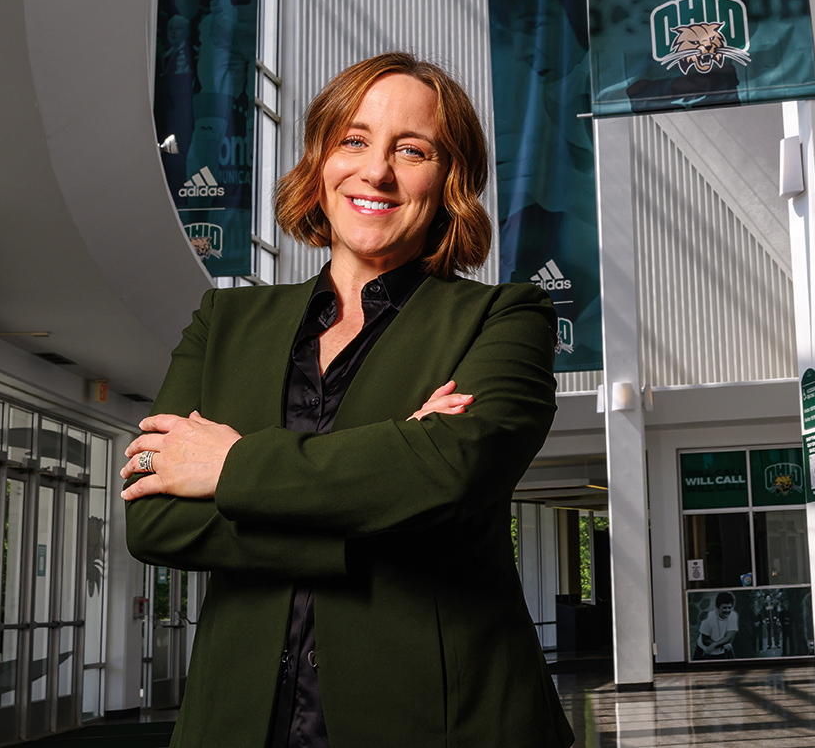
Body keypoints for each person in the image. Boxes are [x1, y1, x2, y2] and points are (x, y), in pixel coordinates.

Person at [121, 52, 574, 748]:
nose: (376, 171)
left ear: (449, 180)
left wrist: (232, 465)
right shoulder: (225, 323)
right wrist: (387, 479)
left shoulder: (506, 316)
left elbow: (451, 474)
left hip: (445, 722)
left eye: (412, 150)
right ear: (319, 161)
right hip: (239, 723)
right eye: (353, 140)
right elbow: (154, 522)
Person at [697, 592, 739, 659]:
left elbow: (729, 636)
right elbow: (705, 640)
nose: (727, 610)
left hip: (721, 649)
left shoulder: (733, 615)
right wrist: (722, 644)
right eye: (724, 608)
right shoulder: (708, 618)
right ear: (717, 607)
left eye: (729, 607)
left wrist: (714, 644)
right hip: (705, 650)